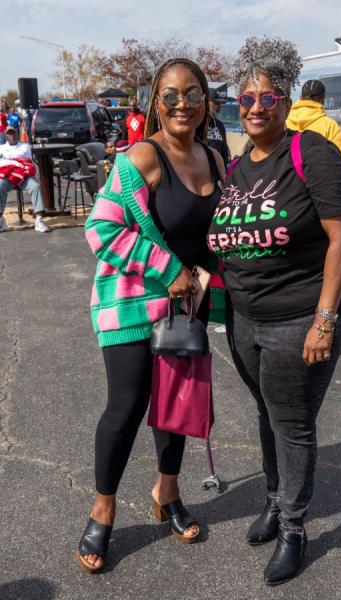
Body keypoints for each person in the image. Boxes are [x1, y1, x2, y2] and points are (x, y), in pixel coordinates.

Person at [208, 37, 341, 585]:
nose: (254, 108)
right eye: (245, 99)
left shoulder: (310, 152)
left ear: (286, 104)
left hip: (299, 317)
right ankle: (274, 501)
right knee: (266, 412)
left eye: (267, 99)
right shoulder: (236, 166)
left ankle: (294, 527)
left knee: (292, 424)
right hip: (245, 318)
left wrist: (324, 320)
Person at [77, 57, 225, 573]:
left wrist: (211, 274)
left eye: (192, 93)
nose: (182, 104)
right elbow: (101, 229)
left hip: (186, 307)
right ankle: (103, 508)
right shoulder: (141, 157)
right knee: (126, 406)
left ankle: (168, 492)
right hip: (131, 305)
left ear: (205, 100)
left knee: (176, 405)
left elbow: (217, 233)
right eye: (171, 95)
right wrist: (168, 268)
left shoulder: (215, 158)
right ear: (155, 103)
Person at [287, 79, 341, 164]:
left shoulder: (284, 122)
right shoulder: (330, 126)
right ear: (323, 98)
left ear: (300, 98)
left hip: (288, 171)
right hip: (319, 171)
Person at [0, 125, 51, 232]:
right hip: (8, 176)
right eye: (9, 133)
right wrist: (15, 161)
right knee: (0, 185)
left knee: (35, 187)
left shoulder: (25, 146)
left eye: (13, 133)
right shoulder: (1, 147)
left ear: (17, 133)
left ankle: (39, 220)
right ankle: (0, 219)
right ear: (6, 135)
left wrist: (7, 159)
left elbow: (25, 159)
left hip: (24, 176)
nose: (12, 135)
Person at [207, 88, 230, 167]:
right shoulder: (196, 125)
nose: (220, 106)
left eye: (220, 103)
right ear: (206, 102)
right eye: (216, 103)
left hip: (218, 171)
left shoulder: (219, 125)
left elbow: (224, 152)